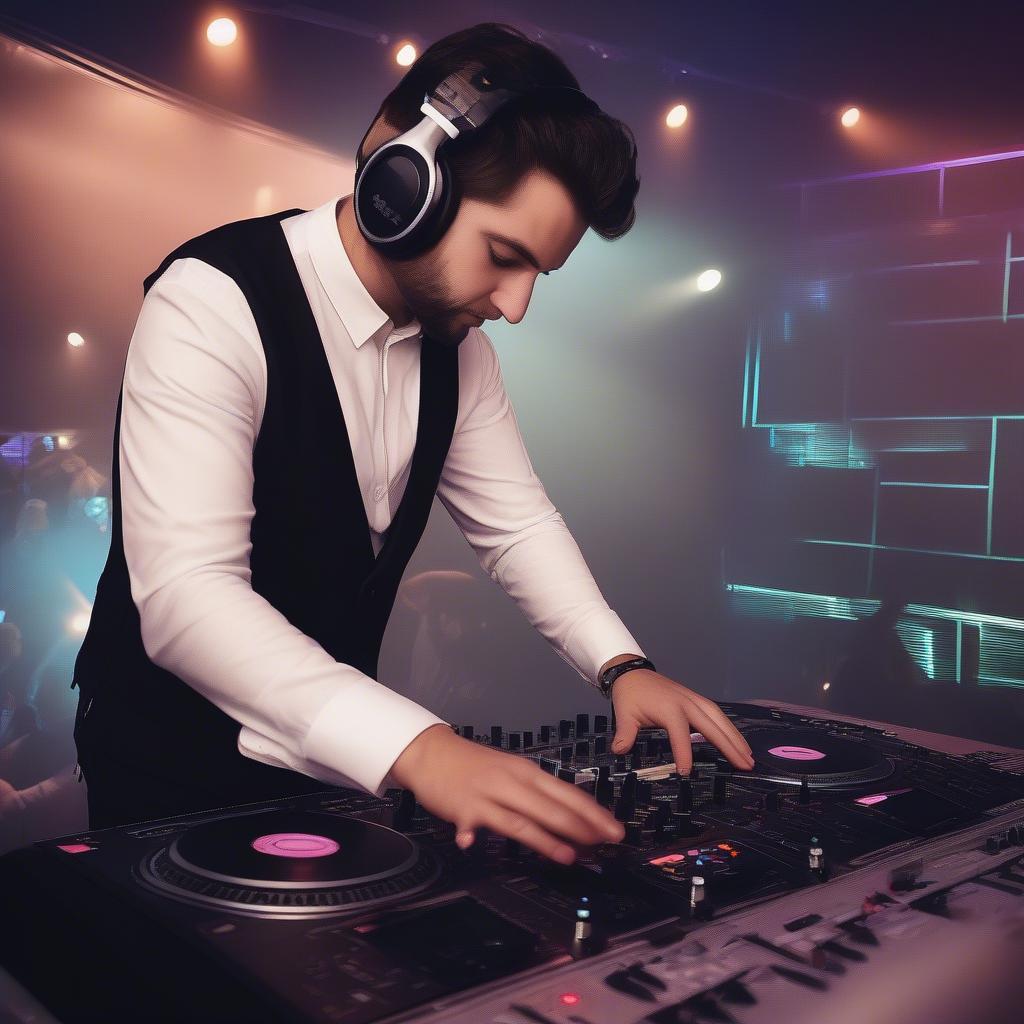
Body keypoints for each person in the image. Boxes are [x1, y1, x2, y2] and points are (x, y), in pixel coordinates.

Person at [72, 23, 754, 862]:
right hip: (161, 775)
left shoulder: (461, 354)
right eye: (504, 256)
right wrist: (420, 747)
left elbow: (518, 526)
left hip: (334, 761)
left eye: (540, 272)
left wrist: (621, 665)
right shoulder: (210, 301)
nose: (516, 306)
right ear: (403, 181)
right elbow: (187, 601)